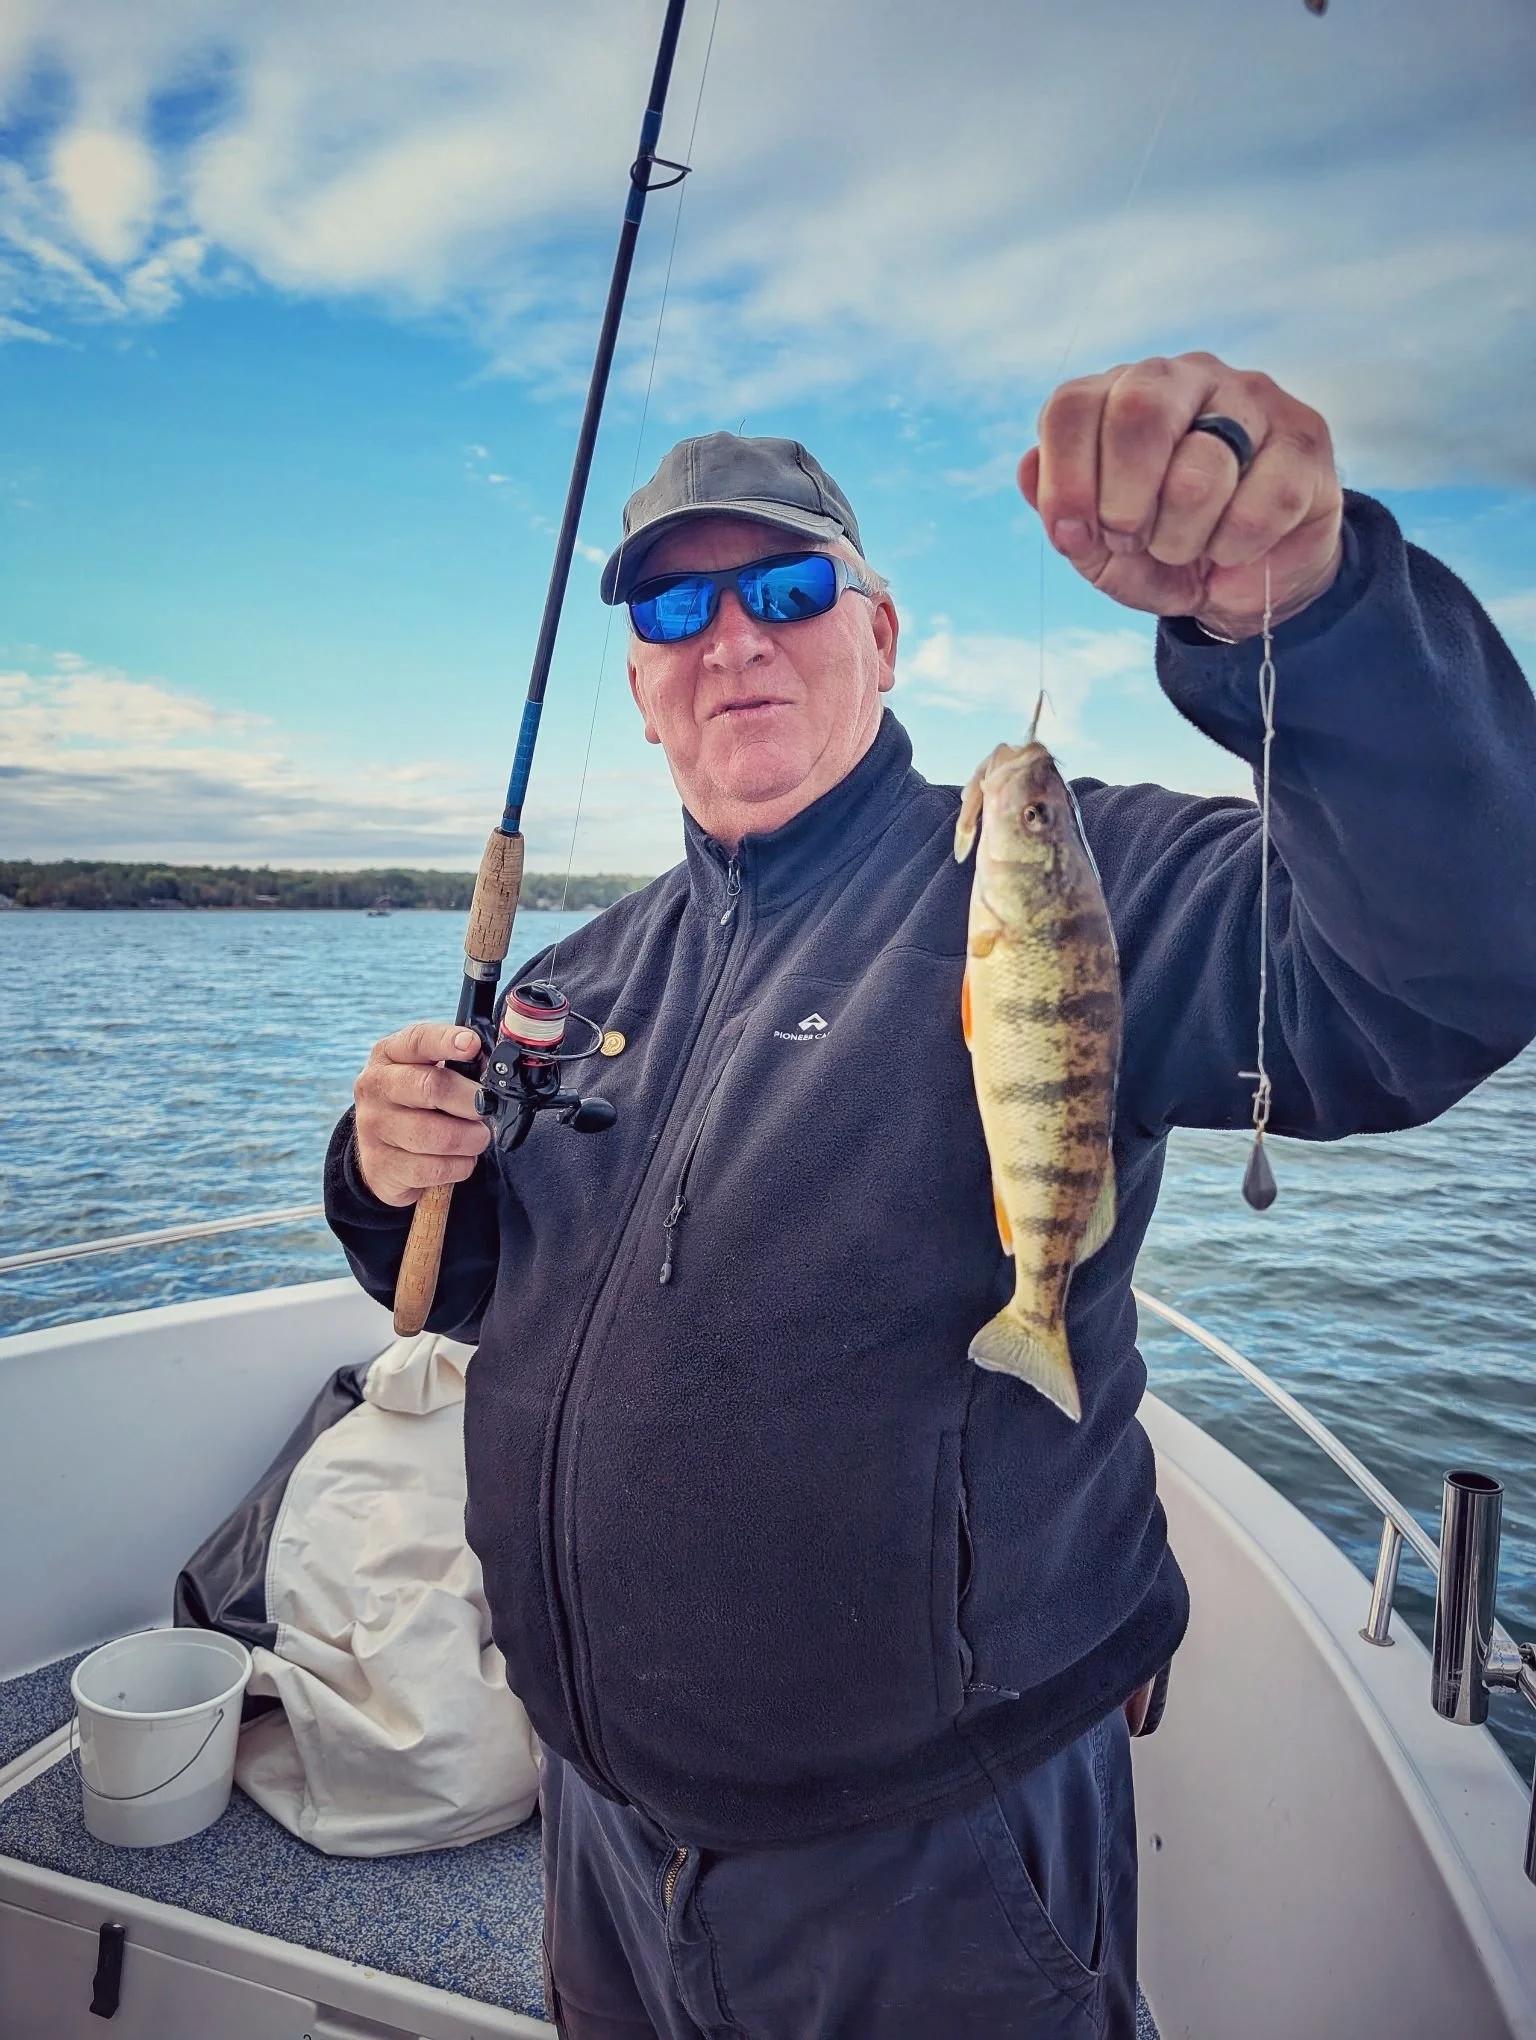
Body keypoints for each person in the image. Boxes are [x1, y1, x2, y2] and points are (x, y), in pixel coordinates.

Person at [326, 351, 1536, 2039]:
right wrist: (388, 1176)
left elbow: (1444, 974)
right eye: (678, 615)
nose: (733, 637)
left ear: (880, 637)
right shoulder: (584, 971)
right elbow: (485, 1286)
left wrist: (1310, 624)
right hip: (599, 1825)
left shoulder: (1059, 875)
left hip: (929, 1860)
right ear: (641, 682)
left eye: (789, 587)